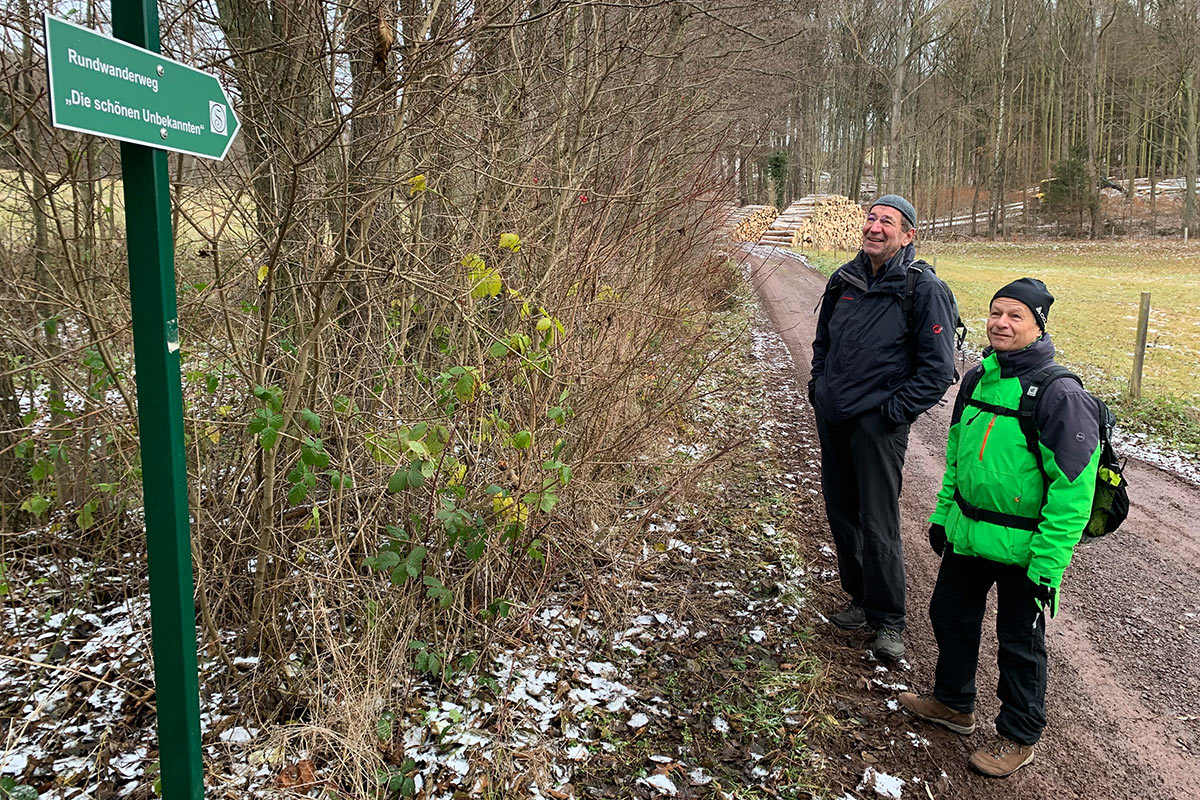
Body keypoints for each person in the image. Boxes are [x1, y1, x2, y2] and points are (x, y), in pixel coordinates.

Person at [899, 278, 1100, 777]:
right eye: (995, 313)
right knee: (949, 616)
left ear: (1038, 325)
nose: (1001, 323)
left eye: (1015, 316)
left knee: (1019, 644)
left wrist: (1047, 565)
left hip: (1025, 548)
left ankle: (1018, 736)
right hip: (969, 533)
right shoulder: (977, 378)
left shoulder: (1059, 394)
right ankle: (953, 703)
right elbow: (957, 457)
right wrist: (944, 514)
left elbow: (1073, 492)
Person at [809, 195, 957, 659]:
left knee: (878, 522)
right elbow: (824, 343)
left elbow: (937, 371)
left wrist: (890, 415)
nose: (875, 227)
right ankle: (860, 601)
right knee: (842, 514)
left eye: (886, 222)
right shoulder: (844, 278)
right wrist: (820, 389)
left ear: (908, 234)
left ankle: (890, 619)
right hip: (835, 419)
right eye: (871, 219)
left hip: (878, 427)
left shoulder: (922, 289)